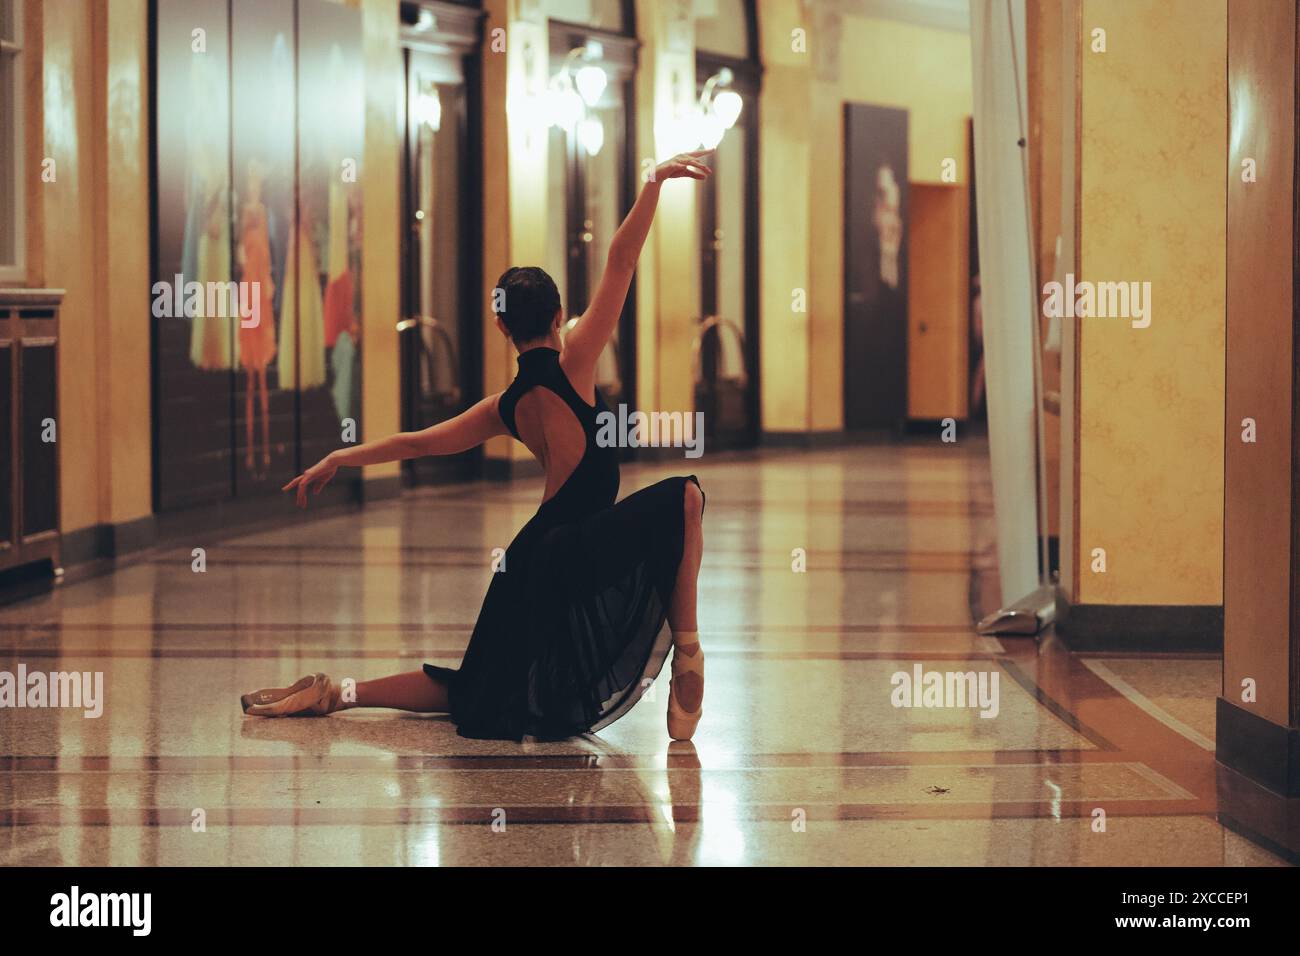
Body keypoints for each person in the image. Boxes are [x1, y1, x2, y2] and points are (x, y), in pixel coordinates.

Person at [241, 150, 714, 742]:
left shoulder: (505, 405)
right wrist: (651, 182)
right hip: (579, 548)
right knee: (685, 499)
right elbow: (620, 261)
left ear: (501, 328)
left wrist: (341, 455)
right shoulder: (578, 358)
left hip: (534, 558)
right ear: (561, 315)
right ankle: (689, 657)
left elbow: (418, 443)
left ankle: (340, 692)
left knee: (478, 684)